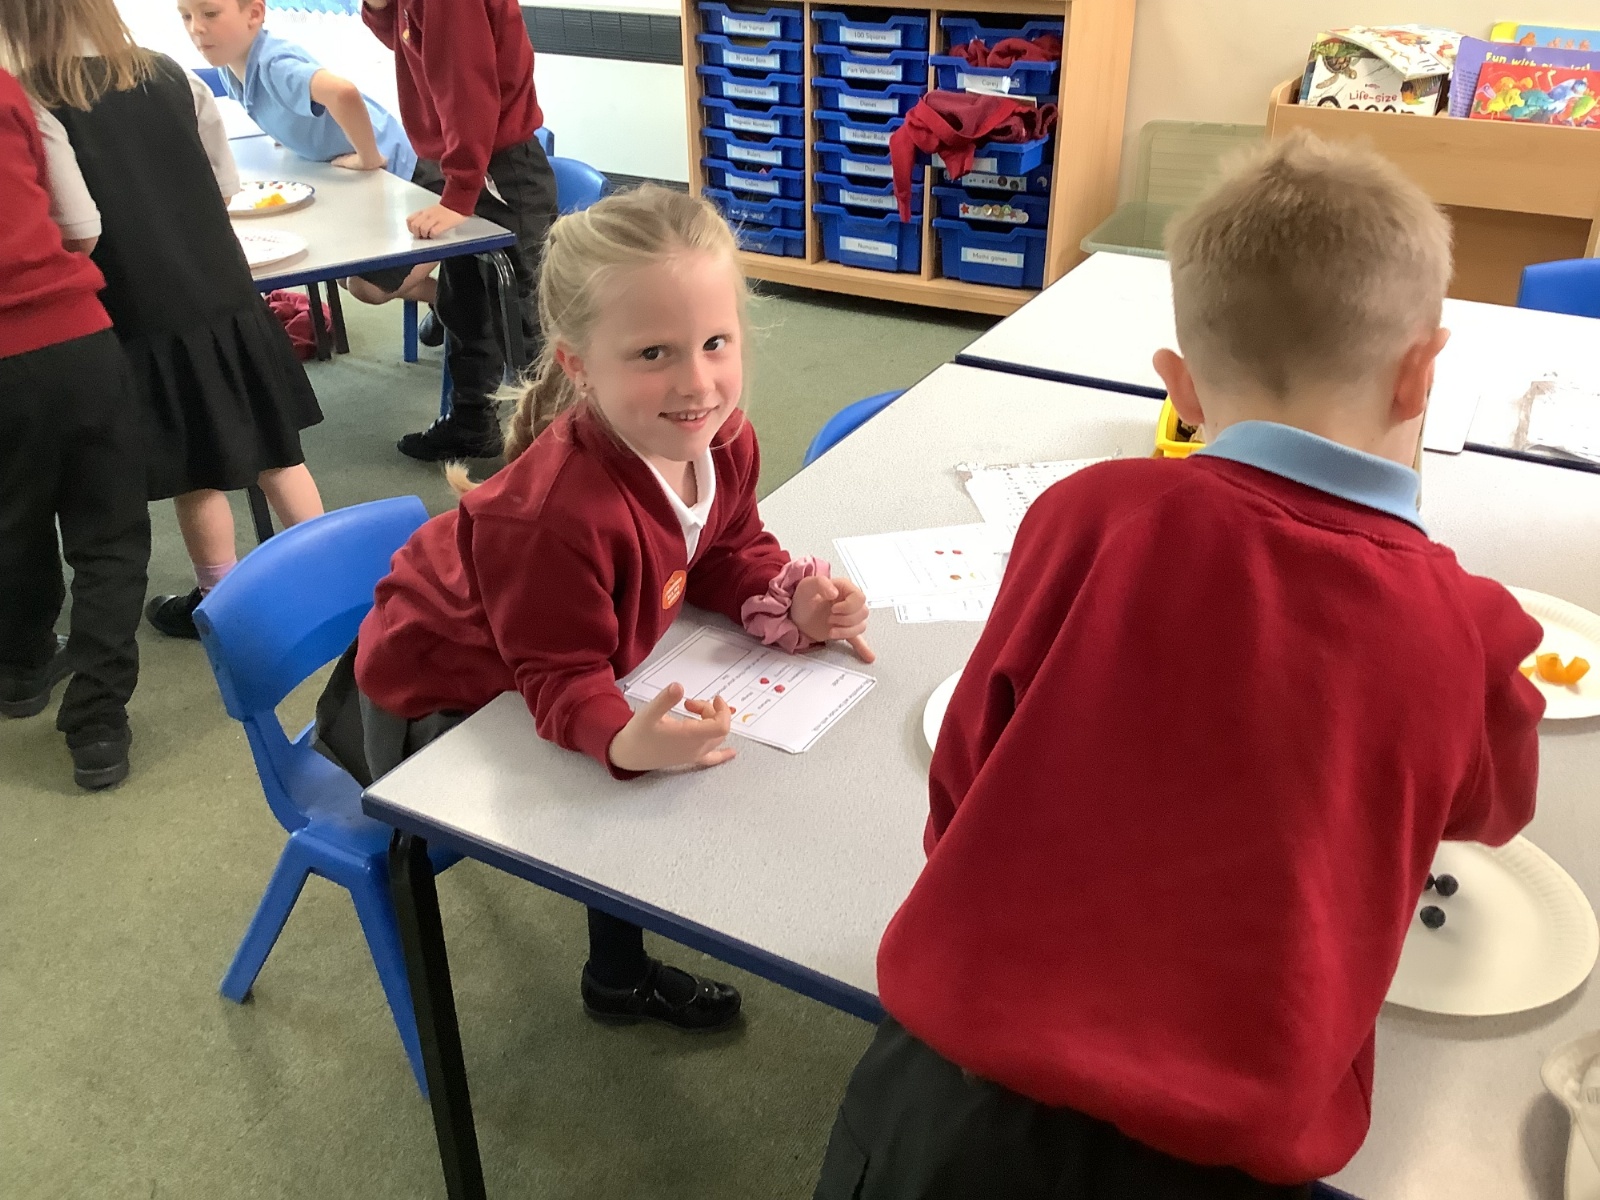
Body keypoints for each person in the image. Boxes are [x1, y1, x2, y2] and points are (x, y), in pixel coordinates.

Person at [814, 133, 1545, 1199]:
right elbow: (1491, 813)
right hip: (1221, 1147)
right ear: (1422, 373)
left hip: (954, 1094)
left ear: (1180, 388)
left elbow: (965, 775)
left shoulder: (1085, 515)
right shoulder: (1467, 623)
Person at [314, 187, 874, 1029]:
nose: (697, 383)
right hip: (435, 690)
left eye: (715, 343)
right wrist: (620, 740)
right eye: (653, 353)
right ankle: (619, 975)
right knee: (615, 792)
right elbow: (560, 673)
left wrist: (791, 599)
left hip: (551, 640)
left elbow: (727, 548)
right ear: (578, 365)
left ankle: (614, 967)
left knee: (639, 766)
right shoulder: (554, 519)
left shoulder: (722, 438)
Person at [0, 0, 326, 641]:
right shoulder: (171, 73)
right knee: (279, 451)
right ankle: (328, 578)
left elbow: (81, 228)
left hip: (145, 312)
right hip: (227, 295)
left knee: (197, 472)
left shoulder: (36, 95)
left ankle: (222, 607)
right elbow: (226, 185)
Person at [0, 65, 149, 790]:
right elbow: (78, 225)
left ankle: (21, 664)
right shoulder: (8, 90)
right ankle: (97, 725)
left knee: (11, 516)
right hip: (73, 335)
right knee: (109, 535)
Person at [360, 0, 559, 463]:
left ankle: (555, 453)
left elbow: (466, 86)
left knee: (528, 322)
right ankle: (472, 423)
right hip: (466, 166)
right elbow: (408, 41)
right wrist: (379, 8)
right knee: (464, 302)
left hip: (498, 168)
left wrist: (460, 192)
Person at [174, 0, 438, 313]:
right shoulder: (232, 67)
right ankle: (457, 302)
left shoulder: (274, 63)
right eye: (186, 16)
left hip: (412, 178)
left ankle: (456, 301)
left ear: (254, 14)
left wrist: (368, 157)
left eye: (210, 14)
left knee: (365, 286)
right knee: (343, 273)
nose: (196, 28)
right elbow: (283, 107)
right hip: (372, 186)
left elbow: (343, 92)